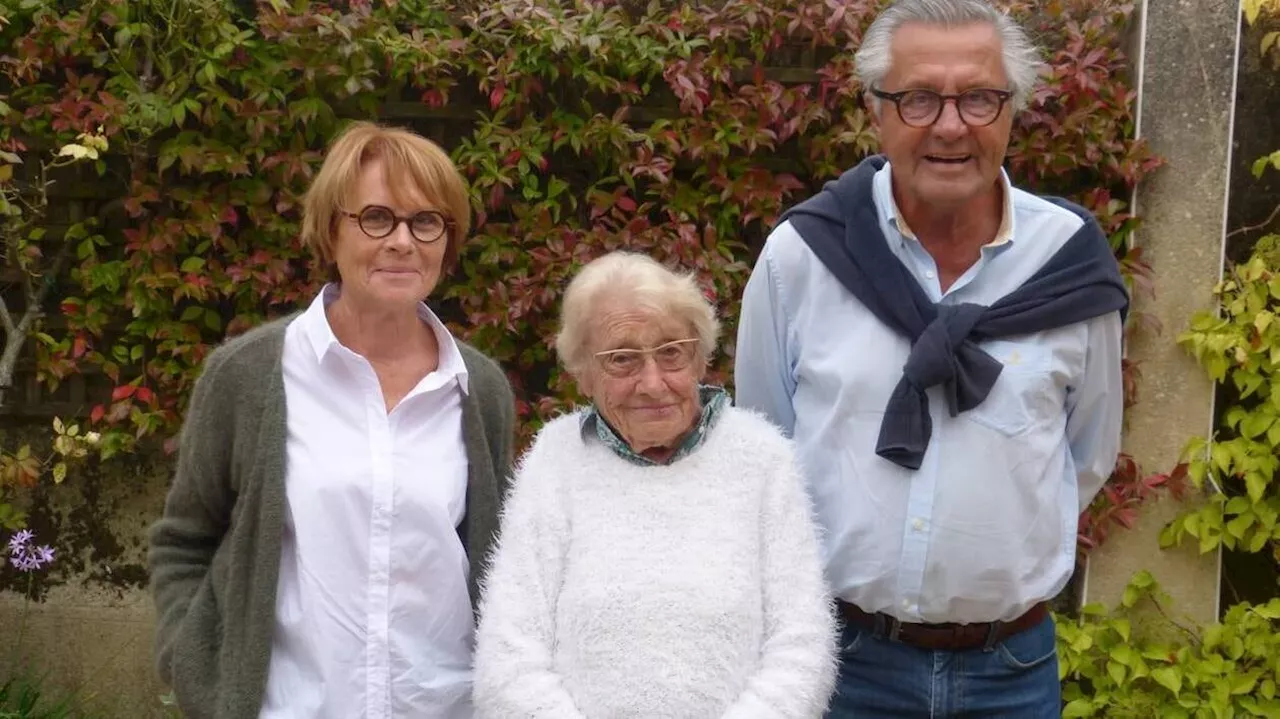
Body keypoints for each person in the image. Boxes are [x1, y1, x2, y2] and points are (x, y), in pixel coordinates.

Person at [734, 1, 1129, 716]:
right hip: (840, 664)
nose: (951, 126)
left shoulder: (1069, 265)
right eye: (919, 98)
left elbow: (1085, 455)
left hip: (1013, 669)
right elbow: (765, 445)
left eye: (979, 98)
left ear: (1012, 110)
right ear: (876, 112)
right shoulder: (802, 258)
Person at [148, 121, 516, 719]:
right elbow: (185, 540)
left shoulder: (480, 390)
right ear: (330, 230)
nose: (402, 241)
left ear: (448, 241)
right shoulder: (248, 376)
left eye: (426, 222)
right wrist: (191, 661)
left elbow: (497, 558)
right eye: (376, 217)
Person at [472, 251, 837, 718]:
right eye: (621, 359)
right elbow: (509, 650)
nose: (652, 383)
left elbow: (802, 644)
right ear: (583, 373)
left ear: (701, 359)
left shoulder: (763, 459)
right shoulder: (555, 461)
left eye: (671, 352)